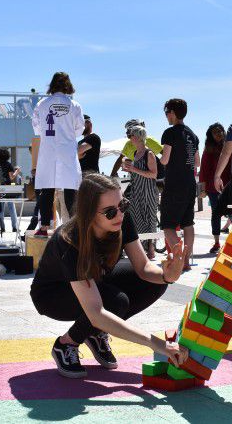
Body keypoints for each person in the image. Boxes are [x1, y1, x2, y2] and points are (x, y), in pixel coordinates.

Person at [29, 173, 188, 378]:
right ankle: (66, 343)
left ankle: (94, 332)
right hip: (52, 295)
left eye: (123, 205)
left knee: (155, 283)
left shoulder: (121, 219)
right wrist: (158, 344)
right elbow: (96, 311)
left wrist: (169, 275)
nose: (120, 215)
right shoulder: (70, 240)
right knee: (115, 303)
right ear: (89, 213)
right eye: (110, 212)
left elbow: (144, 268)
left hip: (93, 279)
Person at [31, 71, 85, 235]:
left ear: (52, 85)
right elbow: (79, 129)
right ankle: (77, 227)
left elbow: (37, 128)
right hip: (67, 150)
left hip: (49, 150)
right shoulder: (74, 105)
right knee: (70, 189)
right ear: (68, 85)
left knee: (47, 189)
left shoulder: (42, 103)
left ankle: (44, 227)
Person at [160, 98, 200, 270]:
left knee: (168, 226)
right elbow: (197, 162)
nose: (166, 116)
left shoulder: (170, 133)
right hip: (190, 183)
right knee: (188, 223)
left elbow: (165, 160)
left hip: (175, 184)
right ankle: (186, 262)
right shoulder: (193, 135)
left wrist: (157, 156)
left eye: (167, 112)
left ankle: (179, 260)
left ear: (173, 113)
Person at [121, 126, 159, 259]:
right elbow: (138, 171)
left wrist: (134, 169)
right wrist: (129, 169)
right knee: (136, 217)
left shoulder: (149, 154)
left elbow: (154, 174)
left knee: (150, 219)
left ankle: (151, 249)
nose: (129, 138)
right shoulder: (136, 154)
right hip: (137, 190)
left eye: (130, 135)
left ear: (137, 137)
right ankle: (142, 247)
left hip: (148, 190)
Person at [199, 123, 231, 253]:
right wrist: (202, 190)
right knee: (216, 215)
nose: (219, 134)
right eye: (215, 132)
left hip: (230, 186)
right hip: (213, 189)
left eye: (220, 131)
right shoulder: (208, 149)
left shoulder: (230, 145)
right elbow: (204, 171)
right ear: (211, 135)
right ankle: (217, 242)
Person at [0, 148, 21, 233]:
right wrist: (17, 171)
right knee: (12, 207)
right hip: (8, 188)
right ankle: (14, 227)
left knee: (1, 208)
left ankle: (2, 228)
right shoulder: (8, 164)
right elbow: (11, 177)